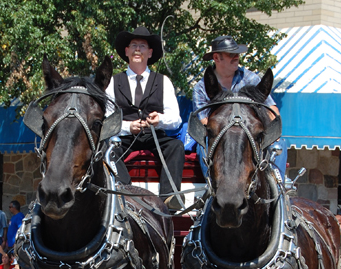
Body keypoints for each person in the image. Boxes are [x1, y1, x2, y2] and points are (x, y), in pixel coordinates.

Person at [106, 26, 185, 210]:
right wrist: (128, 126)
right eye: (133, 45)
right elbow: (108, 119)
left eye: (142, 46)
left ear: (150, 53)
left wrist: (160, 120)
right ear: (126, 51)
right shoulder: (112, 82)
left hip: (154, 135)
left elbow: (176, 119)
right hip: (125, 137)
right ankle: (126, 194)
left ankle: (168, 198)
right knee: (107, 150)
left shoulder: (163, 81)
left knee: (176, 147)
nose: (138, 49)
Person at [191, 35, 284, 178]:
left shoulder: (251, 79)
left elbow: (272, 111)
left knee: (281, 145)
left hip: (250, 137)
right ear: (216, 57)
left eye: (237, 54)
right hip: (219, 137)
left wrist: (273, 131)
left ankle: (278, 191)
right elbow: (204, 121)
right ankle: (212, 190)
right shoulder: (201, 87)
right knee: (202, 146)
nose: (236, 57)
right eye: (231, 54)